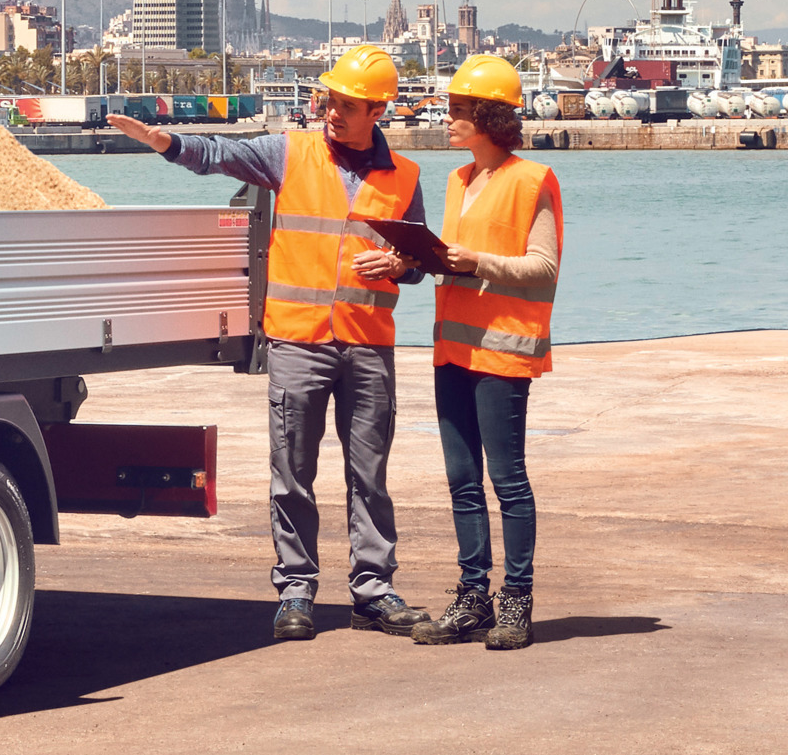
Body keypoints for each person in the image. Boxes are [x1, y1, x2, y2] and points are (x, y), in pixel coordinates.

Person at [115, 46, 425, 637]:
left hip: (368, 344)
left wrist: (401, 266)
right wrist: (164, 142)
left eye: (347, 105)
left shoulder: (405, 176)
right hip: (297, 343)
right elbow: (217, 154)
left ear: (377, 110)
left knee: (370, 474)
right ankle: (296, 591)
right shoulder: (291, 152)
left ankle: (373, 591)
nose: (332, 112)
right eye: (329, 100)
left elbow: (416, 258)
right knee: (292, 472)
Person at [416, 53, 563, 651]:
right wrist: (415, 259)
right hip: (452, 351)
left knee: (508, 481)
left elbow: (543, 267)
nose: (446, 119)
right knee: (461, 481)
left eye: (457, 111)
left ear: (489, 118)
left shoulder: (535, 180)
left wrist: (474, 262)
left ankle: (516, 602)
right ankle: (472, 595)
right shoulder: (456, 181)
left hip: (502, 354)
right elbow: (456, 255)